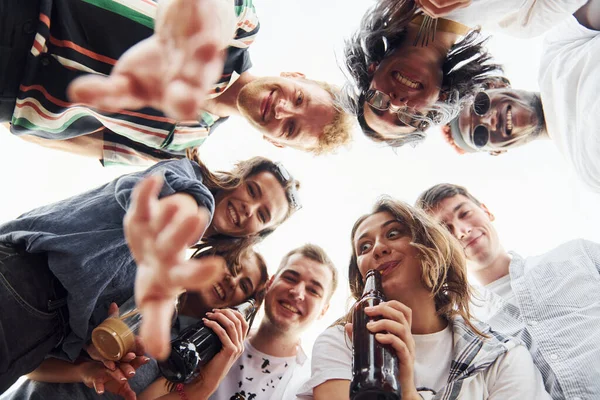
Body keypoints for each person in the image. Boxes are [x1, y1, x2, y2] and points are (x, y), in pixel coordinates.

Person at [0, 154, 300, 393]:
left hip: (39, 334)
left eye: (262, 215)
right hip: (24, 282)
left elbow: (83, 334)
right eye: (252, 190)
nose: (249, 209)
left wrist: (94, 351)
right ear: (236, 178)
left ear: (255, 235)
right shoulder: (187, 178)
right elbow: (159, 197)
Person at [1, 0, 353, 167]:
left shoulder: (176, 148)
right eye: (300, 99)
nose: (282, 109)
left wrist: (15, 118)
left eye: (290, 128)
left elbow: (90, 145)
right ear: (296, 77)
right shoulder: (238, 24)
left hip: (9, 89)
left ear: (274, 142)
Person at [298, 198, 550, 399]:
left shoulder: (502, 355)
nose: (377, 248)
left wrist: (408, 392)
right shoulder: (343, 342)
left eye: (394, 233)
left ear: (429, 244)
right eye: (364, 247)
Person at [2, 247, 269, 400]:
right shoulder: (136, 288)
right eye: (232, 266)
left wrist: (203, 385)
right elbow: (30, 362)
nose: (232, 281)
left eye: (243, 285)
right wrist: (83, 370)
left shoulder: (193, 365)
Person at [416, 183, 600, 399]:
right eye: (446, 229)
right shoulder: (468, 330)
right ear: (440, 248)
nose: (462, 231)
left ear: (486, 210)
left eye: (465, 213)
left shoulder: (578, 254)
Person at [139, 243, 338, 400]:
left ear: (324, 311)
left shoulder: (310, 383)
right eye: (290, 277)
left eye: (314, 290)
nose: (297, 292)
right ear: (269, 284)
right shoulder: (213, 338)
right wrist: (201, 385)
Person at [441, 1, 600, 192]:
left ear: (495, 85)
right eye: (480, 135)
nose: (489, 120)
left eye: (480, 105)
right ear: (497, 150)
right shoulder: (588, 169)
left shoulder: (558, 49)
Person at [341, 0, 501, 146]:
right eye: (408, 117)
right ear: (440, 99)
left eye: (378, 102)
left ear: (372, 70)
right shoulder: (519, 20)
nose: (396, 104)